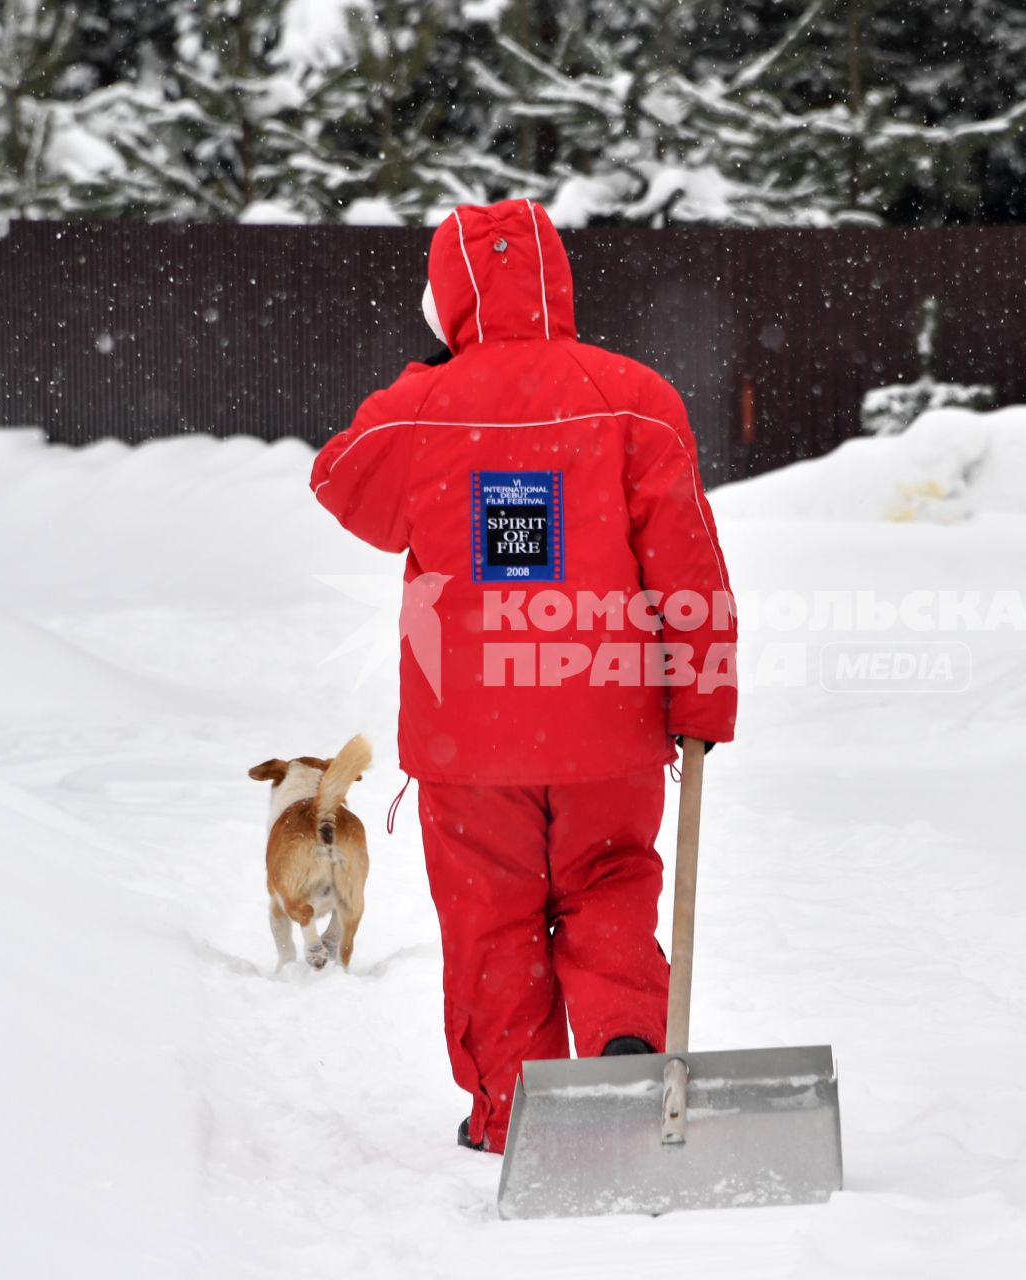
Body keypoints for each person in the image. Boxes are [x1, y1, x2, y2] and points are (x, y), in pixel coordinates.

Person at [310, 199, 737, 1153]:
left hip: (469, 742)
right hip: (609, 725)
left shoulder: (418, 409)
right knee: (611, 884)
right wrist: (702, 699)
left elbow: (341, 480)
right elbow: (688, 567)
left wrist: (430, 382)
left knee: (492, 917)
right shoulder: (635, 397)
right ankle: (628, 1046)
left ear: (449, 297)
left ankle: (516, 1114)